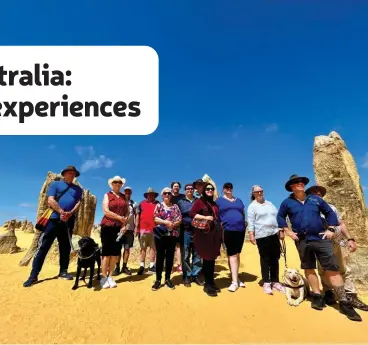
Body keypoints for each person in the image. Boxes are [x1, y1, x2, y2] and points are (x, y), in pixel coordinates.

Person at [277, 174, 361, 321]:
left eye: (302, 182)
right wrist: (288, 231)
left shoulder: (315, 199)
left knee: (332, 269)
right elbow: (280, 217)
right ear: (291, 186)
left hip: (321, 238)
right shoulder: (287, 202)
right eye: (296, 182)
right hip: (302, 240)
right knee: (308, 267)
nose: (300, 183)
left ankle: (344, 302)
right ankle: (317, 295)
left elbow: (329, 213)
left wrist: (331, 229)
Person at [305, 185, 368, 311]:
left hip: (337, 242)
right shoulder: (306, 209)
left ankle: (350, 295)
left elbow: (341, 223)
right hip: (320, 243)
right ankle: (329, 292)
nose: (317, 194)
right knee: (323, 270)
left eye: (319, 192)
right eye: (313, 193)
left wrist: (349, 239)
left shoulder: (331, 207)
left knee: (343, 268)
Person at [23, 165, 83, 287]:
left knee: (65, 248)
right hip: (53, 220)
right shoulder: (55, 185)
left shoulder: (78, 189)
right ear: (64, 174)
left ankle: (63, 272)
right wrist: (61, 211)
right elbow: (50, 200)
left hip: (68, 221)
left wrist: (70, 213)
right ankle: (33, 276)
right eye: (69, 172)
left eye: (73, 173)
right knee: (43, 247)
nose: (71, 174)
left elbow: (78, 202)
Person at [247, 185, 284, 295]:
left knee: (275, 257)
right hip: (262, 235)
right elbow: (251, 221)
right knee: (265, 258)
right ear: (253, 194)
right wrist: (251, 234)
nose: (259, 193)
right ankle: (266, 282)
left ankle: (275, 281)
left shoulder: (270, 204)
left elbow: (277, 217)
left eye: (261, 191)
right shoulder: (252, 206)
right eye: (257, 192)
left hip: (274, 233)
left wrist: (280, 230)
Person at [190, 182, 223, 297]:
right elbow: (192, 213)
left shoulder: (214, 204)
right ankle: (208, 285)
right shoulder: (200, 202)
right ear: (204, 191)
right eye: (207, 189)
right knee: (208, 258)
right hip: (204, 234)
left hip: (214, 234)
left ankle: (211, 282)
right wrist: (205, 217)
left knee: (212, 258)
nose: (209, 190)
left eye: (211, 189)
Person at [99, 176, 129, 289]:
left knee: (115, 253)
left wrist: (124, 224)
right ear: (112, 184)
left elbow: (127, 212)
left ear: (121, 184)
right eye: (115, 182)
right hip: (107, 226)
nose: (117, 184)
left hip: (119, 228)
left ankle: (110, 276)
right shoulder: (107, 195)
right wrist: (119, 218)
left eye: (119, 182)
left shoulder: (123, 197)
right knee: (106, 253)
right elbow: (106, 211)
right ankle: (103, 277)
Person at [216, 182, 246, 292]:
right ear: (223, 189)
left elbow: (242, 213)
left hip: (240, 229)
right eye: (226, 188)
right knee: (232, 254)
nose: (229, 189)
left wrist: (243, 223)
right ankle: (234, 282)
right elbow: (216, 214)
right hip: (228, 229)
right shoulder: (219, 201)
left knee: (237, 254)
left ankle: (236, 277)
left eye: (230, 187)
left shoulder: (238, 200)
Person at [151, 187, 182, 291]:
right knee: (160, 257)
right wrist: (166, 222)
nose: (167, 195)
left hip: (172, 234)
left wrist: (173, 224)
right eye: (165, 193)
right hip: (160, 235)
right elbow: (155, 218)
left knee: (169, 257)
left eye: (169, 193)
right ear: (162, 195)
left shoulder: (175, 206)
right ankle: (158, 280)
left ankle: (168, 278)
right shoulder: (158, 205)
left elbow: (179, 218)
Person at [177, 183, 204, 287]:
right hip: (185, 231)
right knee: (186, 254)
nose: (189, 190)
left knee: (197, 254)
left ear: (194, 190)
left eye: (191, 189)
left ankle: (196, 275)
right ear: (185, 191)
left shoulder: (198, 201)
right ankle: (187, 276)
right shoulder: (180, 202)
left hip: (198, 231)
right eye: (187, 189)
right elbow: (177, 215)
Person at [113, 186, 139, 276]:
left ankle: (124, 266)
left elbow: (137, 215)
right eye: (126, 192)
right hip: (119, 229)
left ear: (131, 193)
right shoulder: (120, 201)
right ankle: (117, 267)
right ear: (124, 192)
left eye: (129, 192)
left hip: (129, 229)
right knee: (117, 249)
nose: (127, 193)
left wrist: (136, 227)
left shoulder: (134, 203)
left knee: (127, 248)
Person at [136, 188, 159, 275]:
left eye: (152, 194)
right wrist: (136, 227)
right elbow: (137, 215)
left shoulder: (158, 204)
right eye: (149, 194)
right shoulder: (141, 203)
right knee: (143, 248)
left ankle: (152, 266)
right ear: (147, 195)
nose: (151, 196)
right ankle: (142, 265)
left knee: (153, 248)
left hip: (154, 229)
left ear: (154, 195)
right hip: (143, 229)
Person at [170, 181, 185, 273]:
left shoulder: (182, 197)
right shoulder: (169, 196)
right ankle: (171, 265)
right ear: (172, 187)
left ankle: (179, 265)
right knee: (170, 246)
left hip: (180, 223)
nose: (176, 187)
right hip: (170, 223)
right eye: (174, 186)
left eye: (177, 186)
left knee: (178, 245)